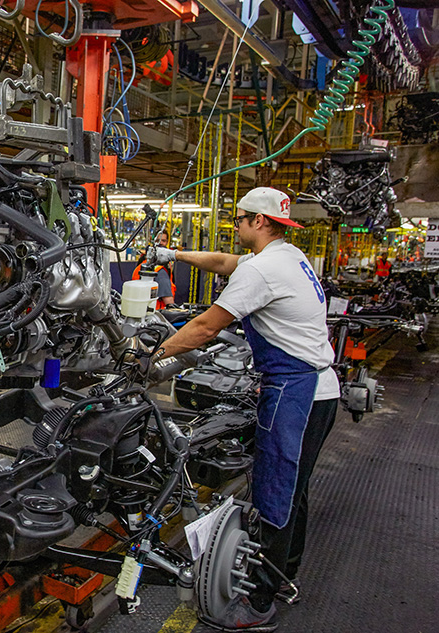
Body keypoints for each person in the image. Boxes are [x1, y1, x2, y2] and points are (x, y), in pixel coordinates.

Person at [148, 187, 339, 632]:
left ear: (259, 221)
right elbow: (223, 262)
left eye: (239, 220)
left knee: (275, 492)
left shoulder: (265, 271)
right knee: (295, 490)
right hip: (320, 390)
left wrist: (148, 357)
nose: (235, 227)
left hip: (295, 393)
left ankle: (259, 604)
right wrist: (172, 252)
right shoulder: (288, 258)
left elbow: (205, 327)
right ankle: (284, 572)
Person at [132, 229, 177, 309]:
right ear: (152, 241)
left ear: (167, 242)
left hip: (139, 309)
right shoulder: (159, 270)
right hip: (156, 314)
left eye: (163, 241)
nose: (160, 243)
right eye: (157, 240)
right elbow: (169, 302)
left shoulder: (143, 263)